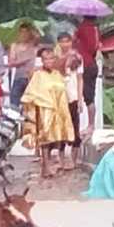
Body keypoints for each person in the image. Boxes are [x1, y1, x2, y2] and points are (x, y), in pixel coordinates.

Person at [21, 45, 75, 178]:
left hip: (58, 111)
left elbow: (63, 92)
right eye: (46, 59)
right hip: (44, 111)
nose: (49, 62)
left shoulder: (57, 75)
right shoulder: (38, 75)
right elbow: (30, 93)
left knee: (57, 138)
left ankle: (54, 164)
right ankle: (45, 165)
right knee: (45, 139)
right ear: (42, 61)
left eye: (51, 59)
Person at [56, 31, 84, 169]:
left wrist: (80, 99)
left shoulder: (76, 58)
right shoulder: (55, 59)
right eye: (62, 41)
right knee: (60, 129)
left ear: (71, 42)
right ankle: (61, 160)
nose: (65, 44)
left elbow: (80, 79)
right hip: (59, 98)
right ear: (59, 43)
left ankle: (73, 160)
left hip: (72, 96)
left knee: (75, 128)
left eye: (67, 41)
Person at [73, 15, 102, 135]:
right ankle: (91, 124)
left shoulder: (83, 28)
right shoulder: (95, 29)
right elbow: (95, 47)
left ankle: (90, 125)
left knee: (86, 96)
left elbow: (74, 41)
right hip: (92, 64)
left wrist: (76, 35)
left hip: (85, 65)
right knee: (90, 96)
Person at [8, 21, 40, 106]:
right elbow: (11, 63)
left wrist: (32, 27)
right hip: (18, 77)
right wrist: (23, 61)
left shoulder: (32, 44)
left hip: (31, 78)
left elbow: (37, 36)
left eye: (26, 32)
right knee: (14, 103)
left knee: (31, 104)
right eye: (22, 32)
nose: (24, 34)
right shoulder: (14, 45)